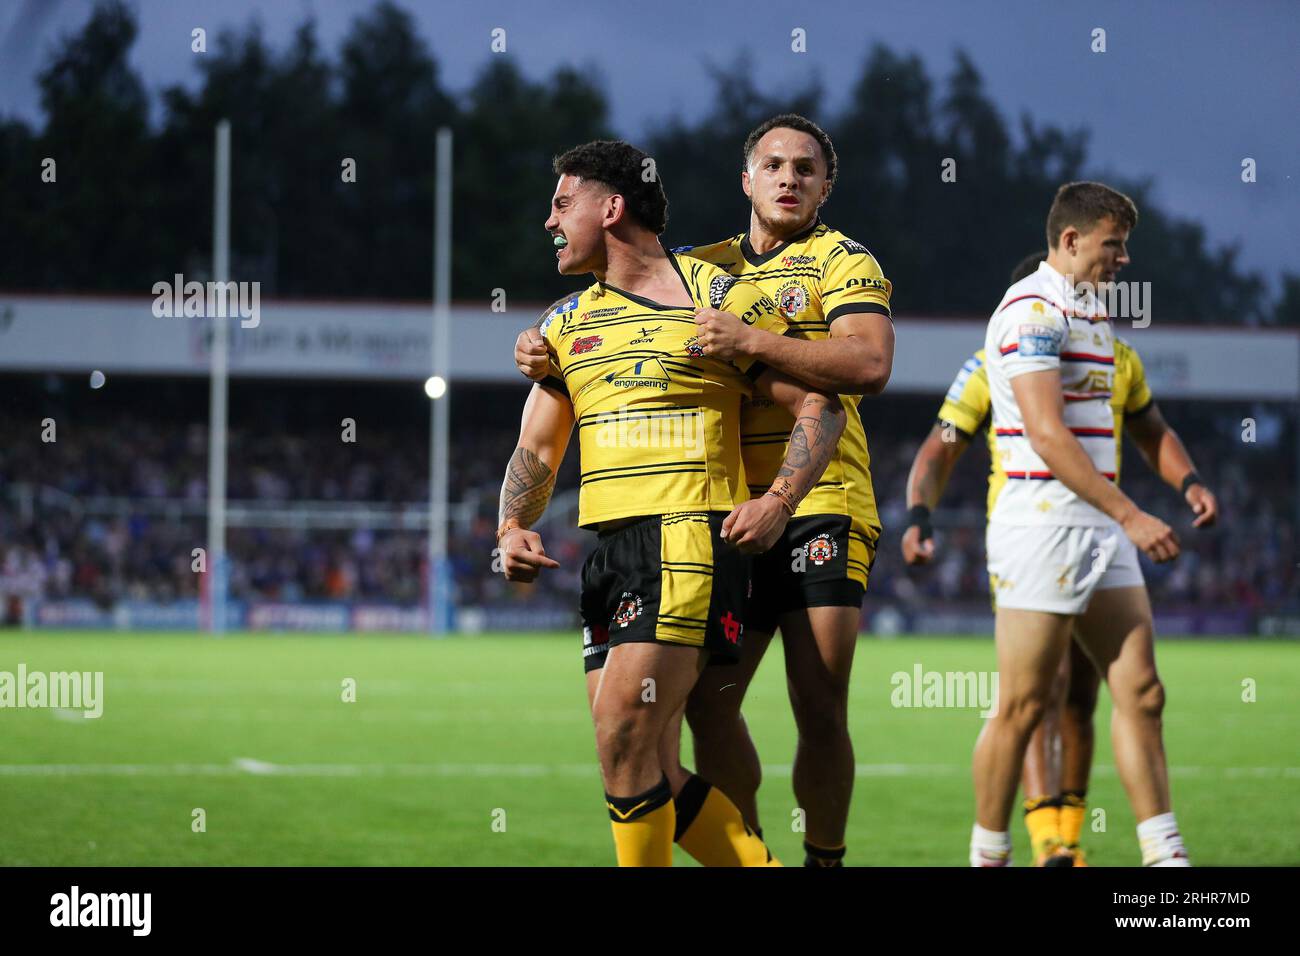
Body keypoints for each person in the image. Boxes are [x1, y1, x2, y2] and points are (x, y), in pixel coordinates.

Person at [515, 114, 893, 867]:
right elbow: (623, 298)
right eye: (774, 165)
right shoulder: (703, 269)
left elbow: (867, 366)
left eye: (806, 168)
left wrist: (750, 340)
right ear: (746, 181)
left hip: (818, 499)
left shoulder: (841, 260)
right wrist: (542, 339)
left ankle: (824, 858)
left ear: (825, 187)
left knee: (817, 704)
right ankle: (748, 853)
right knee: (704, 713)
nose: (790, 178)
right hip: (724, 508)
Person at [903, 249, 1218, 865]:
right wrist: (919, 514)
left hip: (1098, 540)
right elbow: (939, 449)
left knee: (1085, 696)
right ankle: (1047, 846)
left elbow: (1153, 431)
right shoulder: (989, 364)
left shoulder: (1117, 359)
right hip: (1034, 540)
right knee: (1039, 694)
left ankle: (1068, 841)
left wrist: (1189, 482)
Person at [968, 182, 1205, 867]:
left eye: (1125, 244)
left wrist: (1174, 488)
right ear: (1070, 241)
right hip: (1042, 527)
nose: (1124, 258)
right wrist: (1131, 513)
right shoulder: (1032, 312)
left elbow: (1135, 424)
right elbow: (1045, 433)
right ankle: (988, 856)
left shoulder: (1092, 311)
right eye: (1113, 244)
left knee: (1142, 692)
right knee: (1021, 707)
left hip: (1097, 531)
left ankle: (1165, 858)